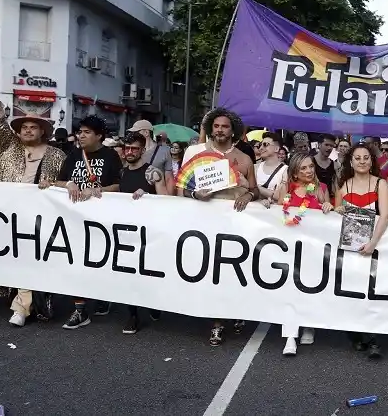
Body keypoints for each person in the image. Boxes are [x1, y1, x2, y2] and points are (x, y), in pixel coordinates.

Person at [0, 74, 65, 327]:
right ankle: (25, 300)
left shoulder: (57, 155)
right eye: (24, 127)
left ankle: (21, 307)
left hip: (42, 216)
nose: (28, 130)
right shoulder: (10, 147)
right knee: (12, 256)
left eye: (33, 127)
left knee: (32, 258)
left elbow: (66, 183)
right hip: (8, 212)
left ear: (43, 131)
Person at [179, 108, 258, 346]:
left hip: (235, 225)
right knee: (210, 273)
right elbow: (181, 188)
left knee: (231, 273)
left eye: (225, 126)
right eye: (216, 126)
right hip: (205, 224)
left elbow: (254, 190)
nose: (220, 130)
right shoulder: (195, 154)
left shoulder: (245, 160)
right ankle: (217, 320)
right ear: (211, 129)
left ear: (233, 131)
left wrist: (249, 196)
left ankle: (227, 317)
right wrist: (194, 193)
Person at [51, 115, 122, 329]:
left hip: (102, 221)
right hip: (75, 220)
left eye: (86, 132)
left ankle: (103, 295)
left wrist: (98, 190)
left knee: (100, 262)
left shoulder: (111, 156)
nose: (80, 136)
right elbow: (58, 180)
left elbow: (120, 185)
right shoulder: (73, 155)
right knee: (76, 263)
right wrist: (69, 183)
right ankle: (80, 310)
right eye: (80, 132)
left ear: (99, 136)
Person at [263, 151, 334, 356]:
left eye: (311, 166)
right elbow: (279, 213)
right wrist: (267, 205)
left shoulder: (320, 189)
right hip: (289, 249)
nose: (308, 171)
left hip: (312, 249)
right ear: (294, 172)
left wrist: (328, 206)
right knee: (290, 292)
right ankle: (290, 336)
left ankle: (309, 325)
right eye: (303, 168)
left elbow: (327, 215)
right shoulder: (286, 188)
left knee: (310, 288)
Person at [334, 143, 388, 358]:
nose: (361, 161)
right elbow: (337, 216)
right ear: (350, 161)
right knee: (351, 291)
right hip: (350, 249)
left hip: (374, 246)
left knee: (372, 292)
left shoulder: (380, 184)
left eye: (366, 157)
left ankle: (374, 338)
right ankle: (355, 335)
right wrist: (336, 209)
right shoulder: (344, 186)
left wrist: (373, 242)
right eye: (357, 158)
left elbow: (385, 215)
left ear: (371, 161)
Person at [118, 131, 168, 334]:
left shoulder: (152, 172)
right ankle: (132, 315)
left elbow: (166, 199)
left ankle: (154, 303)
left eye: (134, 149)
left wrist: (148, 195)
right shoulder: (121, 172)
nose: (130, 152)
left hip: (149, 232)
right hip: (125, 231)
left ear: (142, 150)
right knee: (129, 274)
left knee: (148, 273)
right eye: (127, 148)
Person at [127, 120, 176, 192]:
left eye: (135, 132)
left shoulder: (164, 151)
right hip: (132, 193)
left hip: (154, 196)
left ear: (146, 133)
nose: (132, 135)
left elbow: (169, 178)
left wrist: (169, 199)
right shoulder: (131, 151)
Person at [256, 132, 287, 201]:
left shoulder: (285, 170)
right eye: (260, 145)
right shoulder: (255, 168)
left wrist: (256, 187)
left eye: (265, 145)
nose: (261, 148)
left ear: (276, 149)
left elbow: (281, 196)